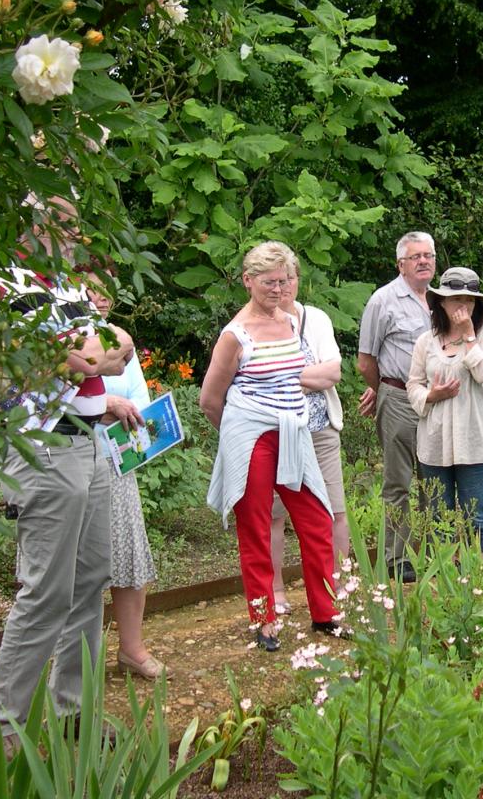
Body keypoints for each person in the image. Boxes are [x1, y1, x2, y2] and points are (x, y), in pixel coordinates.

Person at [0, 197, 135, 746]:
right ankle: (6, 734)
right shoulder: (11, 282)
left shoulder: (67, 285)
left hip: (89, 444)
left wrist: (101, 347)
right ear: (31, 224)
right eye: (65, 223)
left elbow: (120, 347)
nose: (76, 232)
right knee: (45, 593)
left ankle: (72, 715)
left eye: (76, 221)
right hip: (43, 449)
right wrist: (99, 348)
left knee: (89, 582)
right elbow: (93, 356)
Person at [200, 242, 338, 651]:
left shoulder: (291, 321)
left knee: (317, 519)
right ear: (248, 281)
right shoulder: (235, 334)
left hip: (293, 434)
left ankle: (326, 613)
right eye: (268, 282)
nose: (277, 289)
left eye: (284, 281)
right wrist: (236, 435)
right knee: (256, 527)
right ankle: (264, 619)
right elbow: (210, 399)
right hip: (253, 438)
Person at [83, 274, 162, 681]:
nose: (98, 299)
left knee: (128, 557)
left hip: (118, 465)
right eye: (88, 290)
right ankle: (79, 663)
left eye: (105, 292)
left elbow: (141, 407)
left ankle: (131, 649)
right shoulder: (61, 346)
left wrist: (125, 413)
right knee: (79, 568)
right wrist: (104, 405)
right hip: (71, 459)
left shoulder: (124, 348)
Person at [356, 231, 436, 582]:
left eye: (428, 255)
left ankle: (437, 551)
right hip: (400, 398)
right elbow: (365, 360)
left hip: (437, 402)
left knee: (434, 480)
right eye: (416, 256)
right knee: (398, 483)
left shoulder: (440, 299)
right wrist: (383, 390)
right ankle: (397, 558)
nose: (423, 261)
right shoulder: (383, 300)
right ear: (400, 264)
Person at [269, 267, 347, 615]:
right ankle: (276, 589)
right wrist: (305, 377)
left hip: (321, 429)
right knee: (275, 514)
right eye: (276, 280)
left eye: (290, 278)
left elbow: (333, 372)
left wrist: (286, 376)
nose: (284, 286)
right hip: (277, 433)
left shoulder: (315, 318)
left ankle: (339, 585)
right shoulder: (255, 323)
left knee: (335, 510)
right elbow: (257, 380)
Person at [406, 267, 483, 548]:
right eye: (457, 299)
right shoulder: (426, 341)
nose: (464, 306)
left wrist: (469, 334)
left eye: (470, 301)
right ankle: (443, 583)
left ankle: (478, 581)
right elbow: (413, 384)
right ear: (441, 303)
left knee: (475, 518)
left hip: (473, 441)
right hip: (434, 442)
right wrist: (431, 396)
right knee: (438, 517)